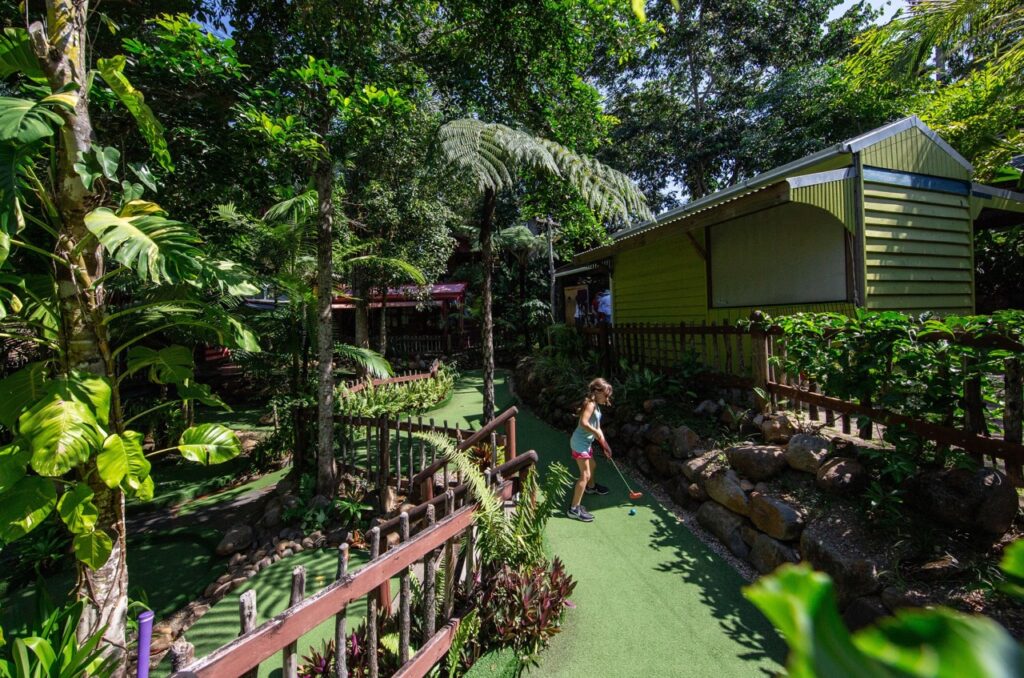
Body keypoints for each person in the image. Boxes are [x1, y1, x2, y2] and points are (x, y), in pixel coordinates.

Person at [567, 378, 613, 522]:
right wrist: (595, 432)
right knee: (585, 475)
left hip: (585, 443)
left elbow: (597, 427)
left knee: (592, 466)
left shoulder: (596, 406)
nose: (607, 398)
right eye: (605, 395)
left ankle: (591, 488)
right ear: (596, 392)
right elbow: (583, 423)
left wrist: (605, 445)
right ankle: (574, 509)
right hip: (579, 444)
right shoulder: (590, 404)